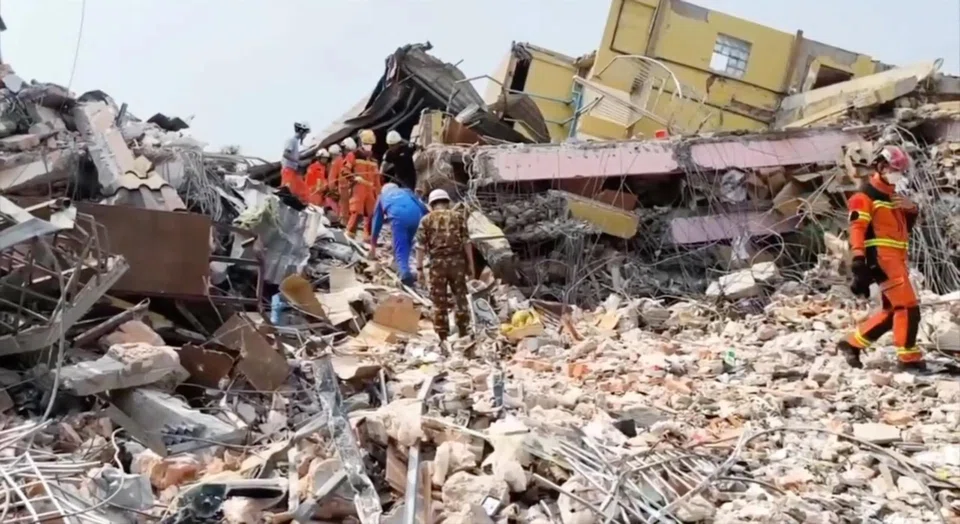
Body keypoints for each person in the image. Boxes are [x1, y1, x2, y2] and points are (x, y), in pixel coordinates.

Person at [838, 145, 926, 371]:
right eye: (893, 169)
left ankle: (852, 343)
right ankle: (908, 358)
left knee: (892, 311)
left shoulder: (893, 198)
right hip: (882, 260)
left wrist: (911, 210)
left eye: (900, 170)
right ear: (880, 166)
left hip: (896, 259)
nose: (897, 174)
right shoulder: (864, 197)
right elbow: (857, 229)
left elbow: (903, 230)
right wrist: (858, 261)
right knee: (907, 307)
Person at [416, 189, 475, 342]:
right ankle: (463, 330)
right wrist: (471, 265)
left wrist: (419, 269)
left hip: (437, 265)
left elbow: (420, 247)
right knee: (460, 296)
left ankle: (443, 336)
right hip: (457, 263)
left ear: (431, 204)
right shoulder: (458, 217)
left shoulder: (426, 220)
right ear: (447, 202)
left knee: (438, 300)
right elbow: (467, 242)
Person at [370, 182, 429, 286]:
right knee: (408, 242)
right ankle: (407, 266)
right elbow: (422, 207)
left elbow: (376, 222)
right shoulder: (406, 191)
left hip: (398, 218)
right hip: (416, 216)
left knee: (401, 245)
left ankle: (404, 273)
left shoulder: (382, 197)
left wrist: (373, 246)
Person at [345, 129, 381, 240]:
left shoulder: (374, 160)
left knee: (371, 213)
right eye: (366, 144)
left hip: (370, 189)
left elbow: (377, 179)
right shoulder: (353, 155)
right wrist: (354, 177)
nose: (368, 146)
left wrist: (379, 193)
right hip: (358, 187)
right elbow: (345, 171)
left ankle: (368, 237)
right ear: (361, 143)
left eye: (370, 144)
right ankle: (350, 234)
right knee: (357, 211)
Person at [281, 121, 310, 199]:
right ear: (301, 131)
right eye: (305, 133)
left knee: (302, 191)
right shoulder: (292, 140)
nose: (305, 136)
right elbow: (285, 154)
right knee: (286, 191)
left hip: (293, 171)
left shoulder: (295, 142)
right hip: (288, 170)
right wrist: (299, 162)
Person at [335, 138, 358, 223]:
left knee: (352, 206)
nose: (343, 151)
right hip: (343, 187)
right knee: (343, 206)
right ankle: (344, 222)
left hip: (351, 186)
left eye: (344, 149)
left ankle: (350, 222)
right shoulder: (339, 160)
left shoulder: (354, 159)